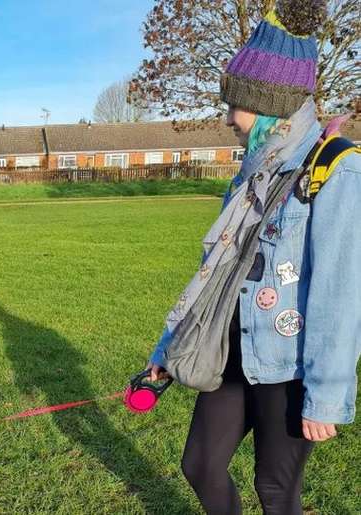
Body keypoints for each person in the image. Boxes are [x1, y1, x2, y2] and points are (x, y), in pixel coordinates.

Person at [147, 1, 361, 514]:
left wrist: (326, 396)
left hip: (289, 366)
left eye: (234, 105)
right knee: (200, 464)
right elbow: (214, 274)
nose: (227, 119)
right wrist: (167, 350)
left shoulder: (336, 168)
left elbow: (340, 290)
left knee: (275, 488)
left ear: (266, 104)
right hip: (232, 353)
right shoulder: (249, 176)